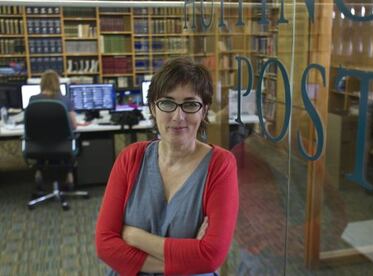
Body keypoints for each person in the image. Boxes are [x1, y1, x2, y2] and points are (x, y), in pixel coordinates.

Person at [96, 57, 239, 275]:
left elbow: (211, 256)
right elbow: (105, 246)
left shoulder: (220, 164)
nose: (178, 116)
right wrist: (188, 258)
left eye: (190, 104)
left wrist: (134, 237)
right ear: (153, 108)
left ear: (204, 109)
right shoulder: (130, 158)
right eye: (167, 103)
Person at [29, 69, 77, 194]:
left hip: (38, 146)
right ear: (57, 83)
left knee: (42, 137)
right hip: (63, 146)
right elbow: (74, 125)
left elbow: (30, 124)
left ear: (42, 83)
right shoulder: (65, 100)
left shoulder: (33, 100)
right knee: (71, 139)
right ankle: (69, 176)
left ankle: (39, 172)